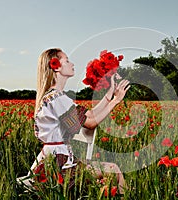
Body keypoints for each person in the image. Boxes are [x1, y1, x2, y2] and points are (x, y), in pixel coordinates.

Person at [32, 48, 130, 195]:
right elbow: (90, 123)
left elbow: (89, 115)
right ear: (55, 65)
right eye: (67, 60)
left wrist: (109, 94)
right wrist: (116, 101)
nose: (72, 63)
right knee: (114, 170)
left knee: (109, 173)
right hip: (58, 169)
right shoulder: (57, 99)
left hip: (56, 161)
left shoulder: (54, 97)